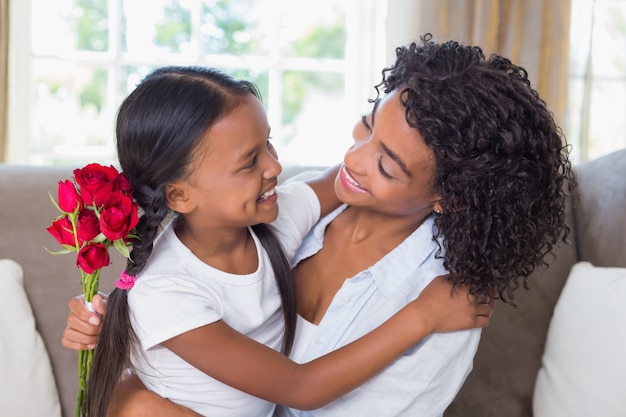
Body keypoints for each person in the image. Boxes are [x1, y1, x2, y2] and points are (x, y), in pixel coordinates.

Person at [64, 33, 575, 417]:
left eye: (387, 164)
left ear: (451, 196)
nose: (353, 159)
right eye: (368, 125)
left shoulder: (280, 217)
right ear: (178, 195)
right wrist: (118, 336)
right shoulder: (185, 275)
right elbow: (299, 386)